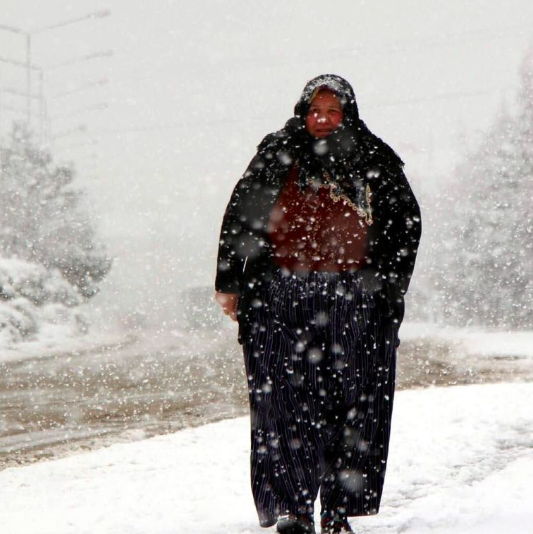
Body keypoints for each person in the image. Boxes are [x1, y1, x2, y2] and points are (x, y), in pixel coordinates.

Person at [214, 74, 422, 534]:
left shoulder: (375, 158)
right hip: (278, 296)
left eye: (333, 111)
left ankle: (337, 510)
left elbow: (405, 224)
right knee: (282, 404)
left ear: (347, 114)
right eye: (315, 111)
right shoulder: (276, 155)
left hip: (355, 298)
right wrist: (231, 282)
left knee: (350, 403)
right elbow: (241, 216)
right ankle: (292, 509)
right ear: (302, 113)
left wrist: (388, 286)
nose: (323, 120)